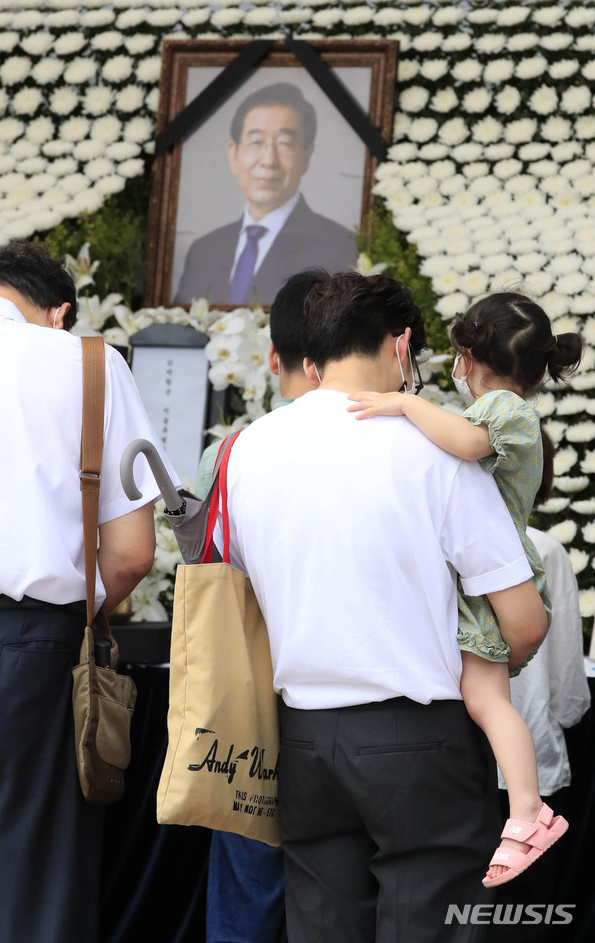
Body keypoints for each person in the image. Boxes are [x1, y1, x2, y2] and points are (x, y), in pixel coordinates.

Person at [216, 272, 548, 943]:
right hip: (417, 738)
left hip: (302, 738)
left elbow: (244, 583)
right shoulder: (432, 448)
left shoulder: (246, 448)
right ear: (400, 346)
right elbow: (522, 621)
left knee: (321, 925)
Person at [0, 241, 176, 943]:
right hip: (24, 654)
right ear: (59, 312)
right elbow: (133, 553)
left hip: (15, 645)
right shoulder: (84, 362)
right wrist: (76, 621)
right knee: (37, 898)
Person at [347, 291, 582, 889]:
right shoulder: (510, 410)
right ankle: (524, 810)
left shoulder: (505, 411)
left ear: (469, 357)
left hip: (492, 580)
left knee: (486, 702)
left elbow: (469, 443)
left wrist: (401, 403)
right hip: (489, 575)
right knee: (481, 699)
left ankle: (528, 812)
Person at [197, 268, 328, 943]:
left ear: (274, 357)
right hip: (363, 714)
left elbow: (205, 567)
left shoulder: (231, 455)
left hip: (250, 702)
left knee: (249, 884)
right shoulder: (402, 444)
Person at [487, 430, 591, 942]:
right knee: (527, 917)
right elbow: (569, 689)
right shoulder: (547, 549)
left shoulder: (448, 541)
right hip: (536, 758)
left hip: (455, 758)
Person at [174, 83, 358, 307]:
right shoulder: (204, 250)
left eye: (284, 143)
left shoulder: (339, 247)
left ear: (306, 156)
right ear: (234, 155)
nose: (269, 160)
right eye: (256, 142)